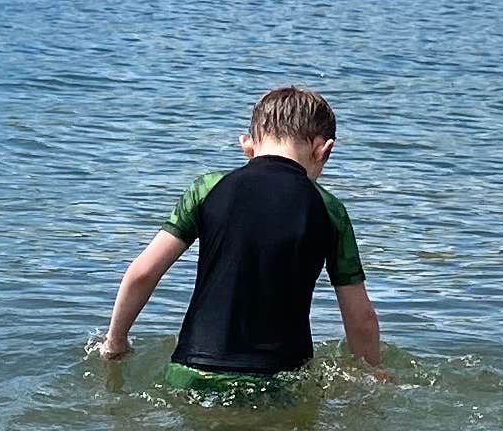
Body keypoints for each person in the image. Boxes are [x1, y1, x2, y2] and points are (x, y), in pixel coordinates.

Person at [98, 83, 383, 392]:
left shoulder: (207, 189)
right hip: (279, 380)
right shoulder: (329, 210)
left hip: (192, 371)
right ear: (323, 150)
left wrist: (116, 342)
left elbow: (142, 273)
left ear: (247, 145)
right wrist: (372, 372)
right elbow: (361, 318)